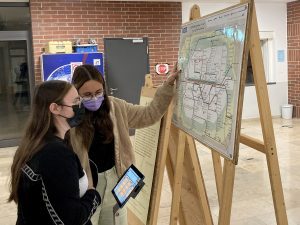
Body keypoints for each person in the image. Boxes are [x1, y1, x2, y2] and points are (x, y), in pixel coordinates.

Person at [70, 64, 179, 225]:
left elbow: (149, 114)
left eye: (98, 92)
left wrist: (167, 86)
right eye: (87, 94)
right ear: (76, 93)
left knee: (116, 220)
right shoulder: (70, 114)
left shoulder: (115, 106)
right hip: (87, 185)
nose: (94, 98)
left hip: (118, 179)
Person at [8, 80, 101, 225]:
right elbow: (72, 219)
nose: (80, 106)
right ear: (55, 108)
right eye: (76, 101)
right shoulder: (56, 154)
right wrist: (93, 193)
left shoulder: (33, 144)